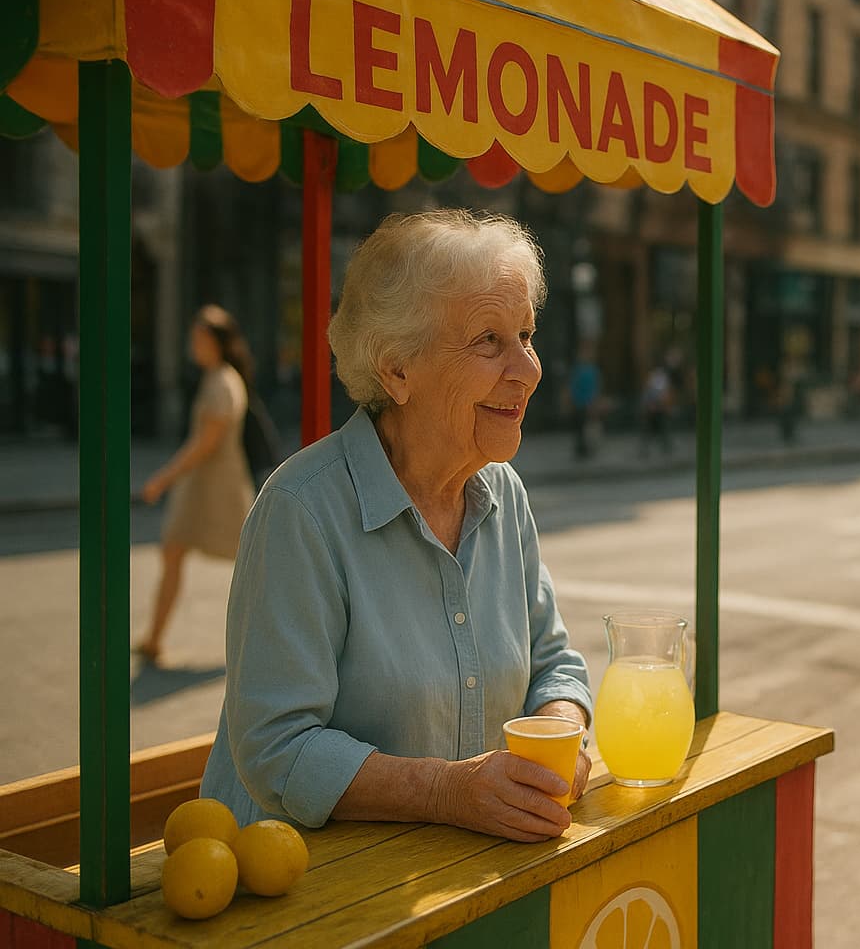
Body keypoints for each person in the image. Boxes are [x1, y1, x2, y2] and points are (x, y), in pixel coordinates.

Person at [200, 210, 595, 843]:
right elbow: (277, 746)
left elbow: (554, 664)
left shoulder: (503, 492)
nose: (529, 368)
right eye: (489, 341)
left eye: (526, 334)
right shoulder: (302, 510)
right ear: (397, 370)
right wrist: (446, 791)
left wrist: (560, 731)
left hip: (451, 873)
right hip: (301, 883)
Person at [137, 305, 257, 667]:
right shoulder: (215, 378)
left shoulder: (223, 383)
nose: (194, 345)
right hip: (203, 486)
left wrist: (163, 478)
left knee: (252, 562)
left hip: (218, 489)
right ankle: (154, 638)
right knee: (174, 551)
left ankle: (264, 641)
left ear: (218, 342)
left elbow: (205, 444)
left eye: (200, 339)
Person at [569, 343, 602, 459]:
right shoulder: (578, 370)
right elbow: (573, 386)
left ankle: (588, 448)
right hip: (579, 403)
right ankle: (581, 449)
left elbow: (596, 388)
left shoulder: (592, 370)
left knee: (589, 426)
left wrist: (595, 402)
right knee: (580, 427)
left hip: (589, 403)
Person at [639, 362, 674, 457]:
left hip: (660, 408)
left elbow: (666, 395)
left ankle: (666, 446)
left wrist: (662, 405)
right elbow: (646, 393)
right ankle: (644, 449)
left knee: (663, 428)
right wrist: (648, 406)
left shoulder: (663, 379)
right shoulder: (650, 379)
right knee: (647, 429)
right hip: (651, 409)